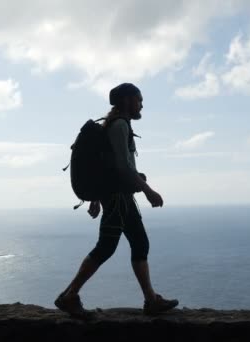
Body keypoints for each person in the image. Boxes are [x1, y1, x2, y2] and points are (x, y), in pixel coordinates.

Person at [55, 83, 179, 319]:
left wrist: (98, 197)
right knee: (106, 247)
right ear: (126, 101)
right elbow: (122, 168)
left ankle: (151, 300)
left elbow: (107, 166)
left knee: (140, 243)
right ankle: (69, 296)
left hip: (120, 197)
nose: (142, 104)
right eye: (138, 99)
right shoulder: (120, 125)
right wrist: (148, 190)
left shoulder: (115, 125)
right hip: (118, 198)